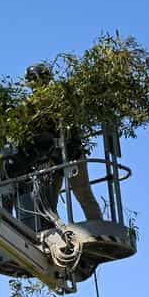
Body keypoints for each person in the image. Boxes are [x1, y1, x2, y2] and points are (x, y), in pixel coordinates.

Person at [23, 63, 105, 222]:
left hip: (72, 152)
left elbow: (72, 124)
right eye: (30, 80)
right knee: (47, 199)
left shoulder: (61, 97)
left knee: (82, 192)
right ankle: (54, 231)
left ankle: (97, 225)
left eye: (34, 79)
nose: (33, 83)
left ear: (44, 78)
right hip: (51, 159)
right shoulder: (30, 107)